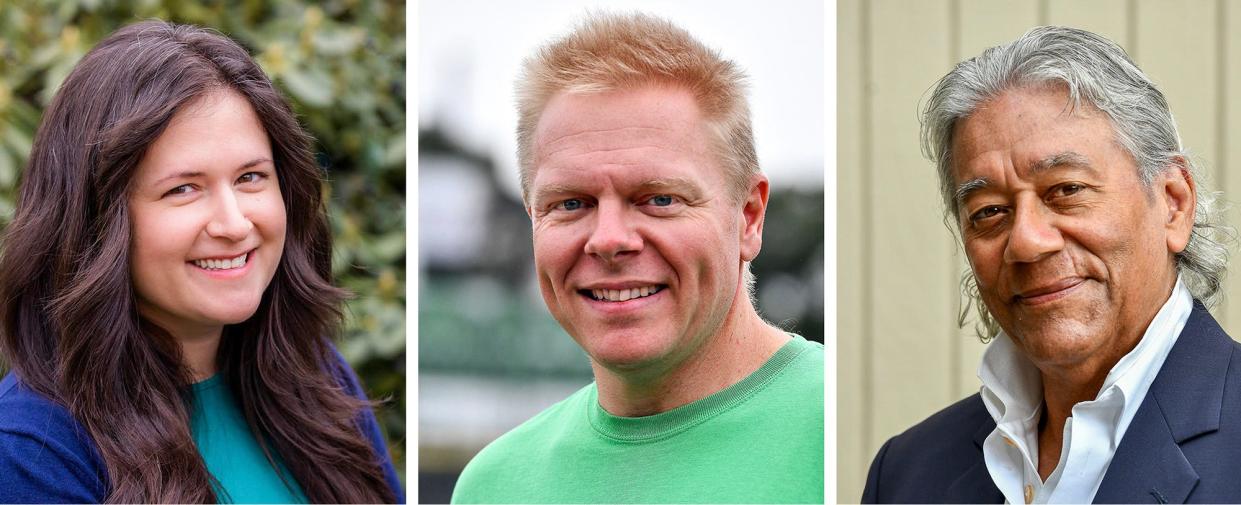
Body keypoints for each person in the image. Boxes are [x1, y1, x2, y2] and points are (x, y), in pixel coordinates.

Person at [0, 21, 402, 503]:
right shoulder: (30, 452)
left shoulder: (317, 378)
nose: (233, 224)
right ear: (95, 220)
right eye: (183, 189)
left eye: (251, 177)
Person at [450, 12, 824, 504]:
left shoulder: (840, 431)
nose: (608, 239)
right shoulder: (493, 486)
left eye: (659, 199)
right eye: (570, 203)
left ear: (749, 217)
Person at [862, 26, 1239, 504]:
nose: (1026, 242)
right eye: (989, 212)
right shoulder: (907, 474)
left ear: (1173, 203)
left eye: (1066, 190)